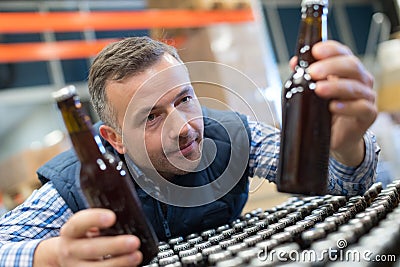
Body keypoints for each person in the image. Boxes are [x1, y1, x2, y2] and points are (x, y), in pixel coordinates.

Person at [0, 36, 379, 267]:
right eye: (151, 117)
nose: (183, 126)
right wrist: (52, 257)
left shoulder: (233, 137)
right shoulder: (79, 182)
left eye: (185, 99)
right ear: (114, 139)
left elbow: (341, 186)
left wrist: (347, 148)